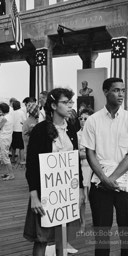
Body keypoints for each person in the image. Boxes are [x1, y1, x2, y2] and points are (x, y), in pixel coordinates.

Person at [81, 77, 128, 256]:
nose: (121, 94)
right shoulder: (93, 120)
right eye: (116, 90)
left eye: (123, 90)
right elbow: (90, 153)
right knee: (101, 233)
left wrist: (112, 179)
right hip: (100, 182)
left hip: (124, 182)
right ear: (105, 91)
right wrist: (103, 179)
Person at [23, 88, 84, 256]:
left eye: (71, 102)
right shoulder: (40, 130)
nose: (70, 105)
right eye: (65, 102)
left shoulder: (71, 128)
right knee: (41, 239)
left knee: (62, 237)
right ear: (53, 105)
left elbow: (75, 161)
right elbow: (32, 165)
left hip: (65, 191)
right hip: (44, 191)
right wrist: (34, 196)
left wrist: (79, 189)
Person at [77, 107, 94, 233]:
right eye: (81, 118)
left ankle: (96, 219)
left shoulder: (94, 134)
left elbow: (96, 153)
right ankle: (82, 223)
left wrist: (83, 153)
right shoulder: (76, 134)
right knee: (81, 199)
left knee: (93, 197)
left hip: (92, 169)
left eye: (85, 118)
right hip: (80, 169)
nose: (83, 121)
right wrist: (85, 153)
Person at [0, 103, 14, 181]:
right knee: (4, 155)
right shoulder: (9, 116)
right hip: (8, 138)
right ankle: (8, 172)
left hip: (4, 139)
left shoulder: (4, 118)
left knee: (5, 156)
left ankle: (11, 174)